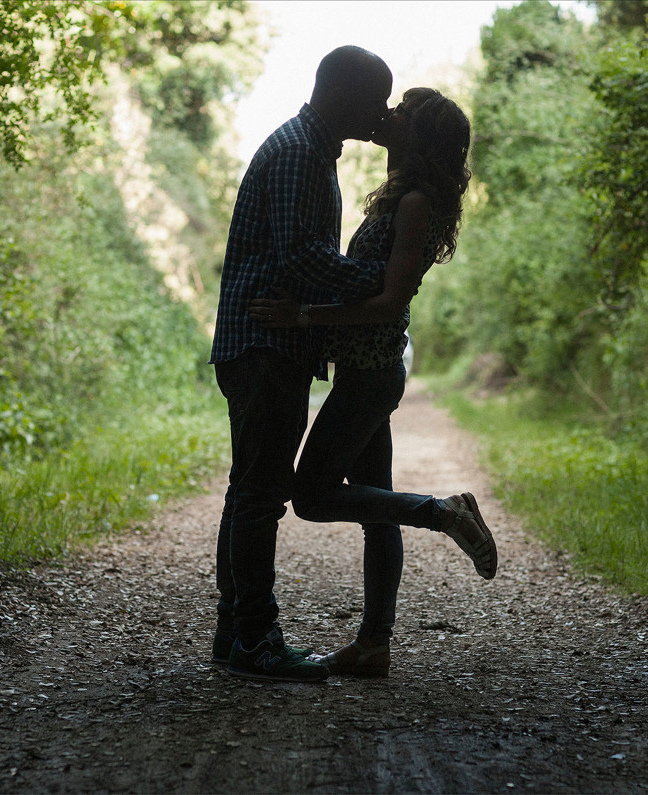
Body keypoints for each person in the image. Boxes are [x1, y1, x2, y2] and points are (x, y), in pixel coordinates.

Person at [249, 88, 497, 678]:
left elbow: (388, 302)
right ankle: (373, 644)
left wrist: (303, 317)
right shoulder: (399, 193)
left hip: (372, 374)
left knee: (311, 497)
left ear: (421, 136)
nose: (388, 113)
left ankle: (442, 512)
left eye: (402, 111)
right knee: (374, 505)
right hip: (366, 370)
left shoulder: (416, 203)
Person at [208, 46, 394, 682]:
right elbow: (301, 257)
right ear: (343, 93)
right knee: (260, 496)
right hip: (266, 346)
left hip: (265, 346)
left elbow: (301, 256)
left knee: (249, 490)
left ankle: (235, 632)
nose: (381, 112)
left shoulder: (309, 149)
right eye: (375, 99)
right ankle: (256, 640)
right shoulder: (298, 154)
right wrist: (382, 281)